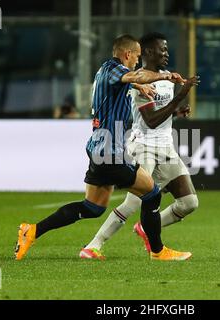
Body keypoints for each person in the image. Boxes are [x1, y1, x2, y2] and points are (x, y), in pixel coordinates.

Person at [14, 34, 197, 261]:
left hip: (98, 149)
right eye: (137, 57)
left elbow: (128, 83)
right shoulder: (115, 69)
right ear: (127, 54)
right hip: (111, 151)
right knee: (152, 195)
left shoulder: (106, 73)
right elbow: (135, 75)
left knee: (92, 207)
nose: (138, 62)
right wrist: (164, 76)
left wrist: (140, 86)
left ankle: (31, 231)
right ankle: (158, 251)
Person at [80, 32, 199, 260]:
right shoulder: (139, 80)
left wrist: (176, 111)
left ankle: (146, 228)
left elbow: (162, 113)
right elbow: (150, 120)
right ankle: (94, 244)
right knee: (133, 202)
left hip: (166, 147)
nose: (166, 53)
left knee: (189, 203)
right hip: (143, 146)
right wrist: (179, 97)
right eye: (162, 49)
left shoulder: (166, 77)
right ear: (146, 52)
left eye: (166, 49)